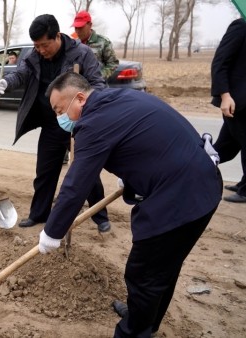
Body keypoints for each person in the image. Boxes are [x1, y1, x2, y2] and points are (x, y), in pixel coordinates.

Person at [38, 72, 221, 337]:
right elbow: (146, 140)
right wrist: (134, 177)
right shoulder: (121, 97)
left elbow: (76, 185)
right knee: (162, 269)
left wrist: (53, 231)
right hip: (201, 184)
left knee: (144, 273)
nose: (60, 118)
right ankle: (144, 318)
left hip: (181, 198)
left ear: (79, 98)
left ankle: (134, 331)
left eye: (59, 110)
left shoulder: (93, 123)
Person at [0, 14, 111, 231]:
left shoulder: (81, 53)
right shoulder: (33, 54)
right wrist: (4, 83)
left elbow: (98, 84)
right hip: (51, 122)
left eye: (45, 45)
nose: (41, 50)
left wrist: (84, 109)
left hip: (78, 123)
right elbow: (20, 74)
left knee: (86, 172)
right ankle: (39, 214)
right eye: (37, 46)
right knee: (45, 172)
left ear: (57, 36)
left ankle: (100, 216)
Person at [210, 18, 246, 203]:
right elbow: (220, 62)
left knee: (225, 148)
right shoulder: (242, 25)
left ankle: (190, 167)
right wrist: (225, 95)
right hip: (238, 101)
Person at [72, 10, 119, 80]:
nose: (77, 31)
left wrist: (99, 77)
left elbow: (113, 64)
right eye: (76, 28)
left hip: (98, 87)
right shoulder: (74, 44)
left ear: (90, 25)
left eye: (81, 28)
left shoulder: (103, 42)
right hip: (80, 86)